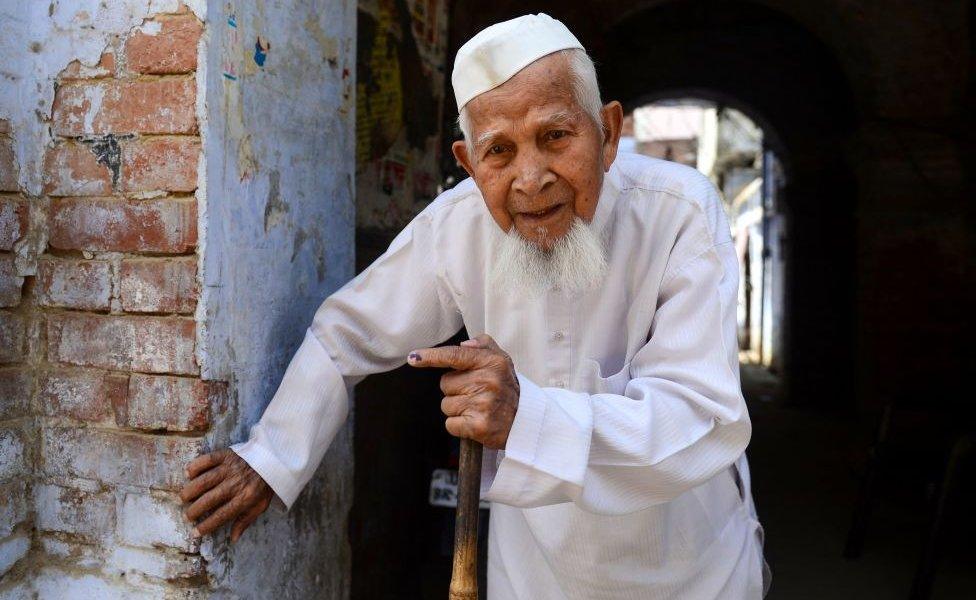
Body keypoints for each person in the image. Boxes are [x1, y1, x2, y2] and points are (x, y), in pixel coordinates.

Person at [181, 13, 768, 599]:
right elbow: (345, 335)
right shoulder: (457, 225)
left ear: (608, 134)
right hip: (536, 578)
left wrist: (525, 416)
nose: (530, 179)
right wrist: (272, 457)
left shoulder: (680, 212)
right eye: (500, 152)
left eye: (556, 137)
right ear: (467, 163)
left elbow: (702, 419)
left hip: (695, 571)